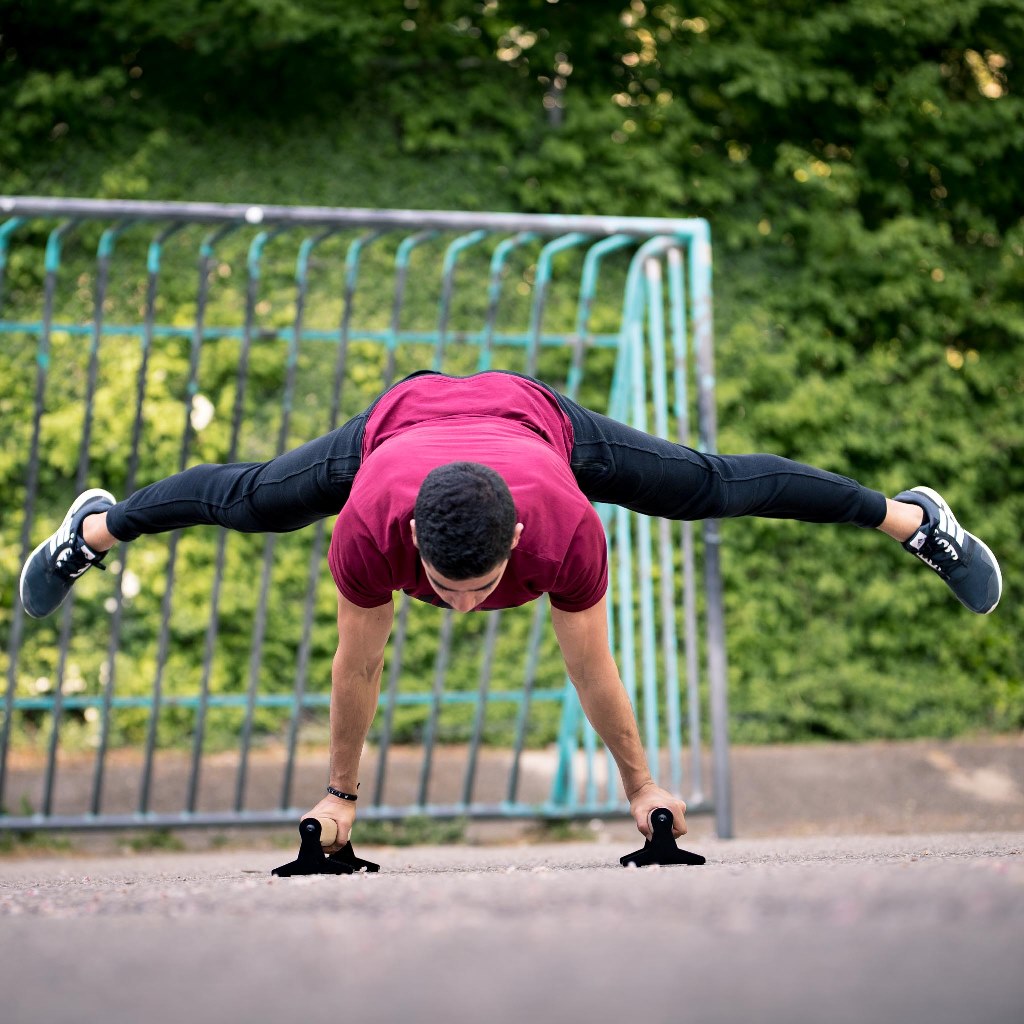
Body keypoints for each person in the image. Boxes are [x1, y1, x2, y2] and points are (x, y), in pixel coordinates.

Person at [19, 370, 1002, 850]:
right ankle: (94, 530)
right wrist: (342, 797)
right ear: (411, 548)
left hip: (542, 425)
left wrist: (639, 786)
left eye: (480, 589)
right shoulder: (368, 520)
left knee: (706, 483)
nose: (460, 610)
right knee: (253, 501)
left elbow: (591, 663)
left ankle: (913, 519)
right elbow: (355, 666)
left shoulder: (566, 524)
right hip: (395, 427)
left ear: (515, 552)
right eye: (445, 592)